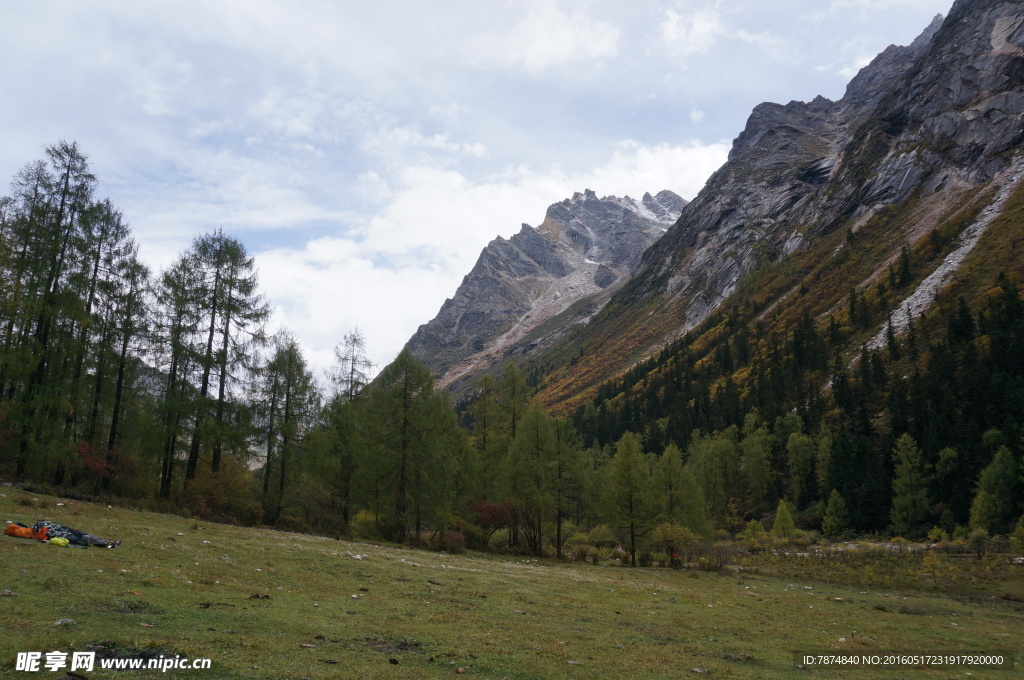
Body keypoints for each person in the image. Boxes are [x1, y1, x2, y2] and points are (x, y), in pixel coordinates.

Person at [5, 520, 121, 548]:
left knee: (81, 534)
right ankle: (105, 544)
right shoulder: (29, 531)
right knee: (78, 538)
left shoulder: (30, 529)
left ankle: (106, 542)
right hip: (56, 533)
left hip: (59, 529)